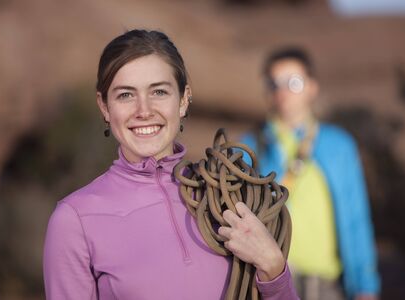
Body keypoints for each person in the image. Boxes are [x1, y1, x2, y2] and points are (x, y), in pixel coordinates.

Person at [43, 29, 299, 300]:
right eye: (126, 95)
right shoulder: (74, 220)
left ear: (184, 99)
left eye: (159, 92)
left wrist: (274, 269)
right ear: (105, 107)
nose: (144, 110)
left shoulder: (230, 196)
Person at [240, 47, 380, 300]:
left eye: (293, 82)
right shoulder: (250, 147)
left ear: (312, 87)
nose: (282, 91)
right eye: (274, 83)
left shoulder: (339, 145)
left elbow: (356, 218)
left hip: (328, 284)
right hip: (270, 280)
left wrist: (365, 286)